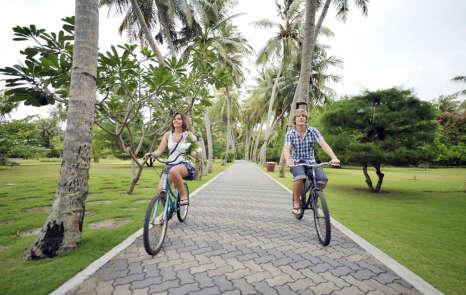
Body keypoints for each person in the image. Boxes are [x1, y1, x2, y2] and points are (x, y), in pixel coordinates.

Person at [283, 108, 340, 215]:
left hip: (311, 162)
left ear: (306, 119)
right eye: (298, 116)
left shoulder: (313, 131)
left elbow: (323, 144)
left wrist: (334, 157)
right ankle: (296, 202)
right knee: (300, 177)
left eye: (303, 116)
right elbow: (286, 148)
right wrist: (288, 160)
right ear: (294, 120)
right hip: (296, 162)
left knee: (322, 180)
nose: (301, 117)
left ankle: (313, 200)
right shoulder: (290, 134)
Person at [145, 112, 196, 205]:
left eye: (179, 119)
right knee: (161, 190)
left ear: (183, 121)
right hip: (170, 164)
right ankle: (167, 212)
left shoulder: (188, 135)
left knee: (174, 171)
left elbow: (195, 149)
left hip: (184, 164)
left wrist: (194, 153)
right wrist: (151, 154)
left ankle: (183, 196)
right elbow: (159, 150)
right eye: (174, 119)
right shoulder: (167, 135)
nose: (176, 120)